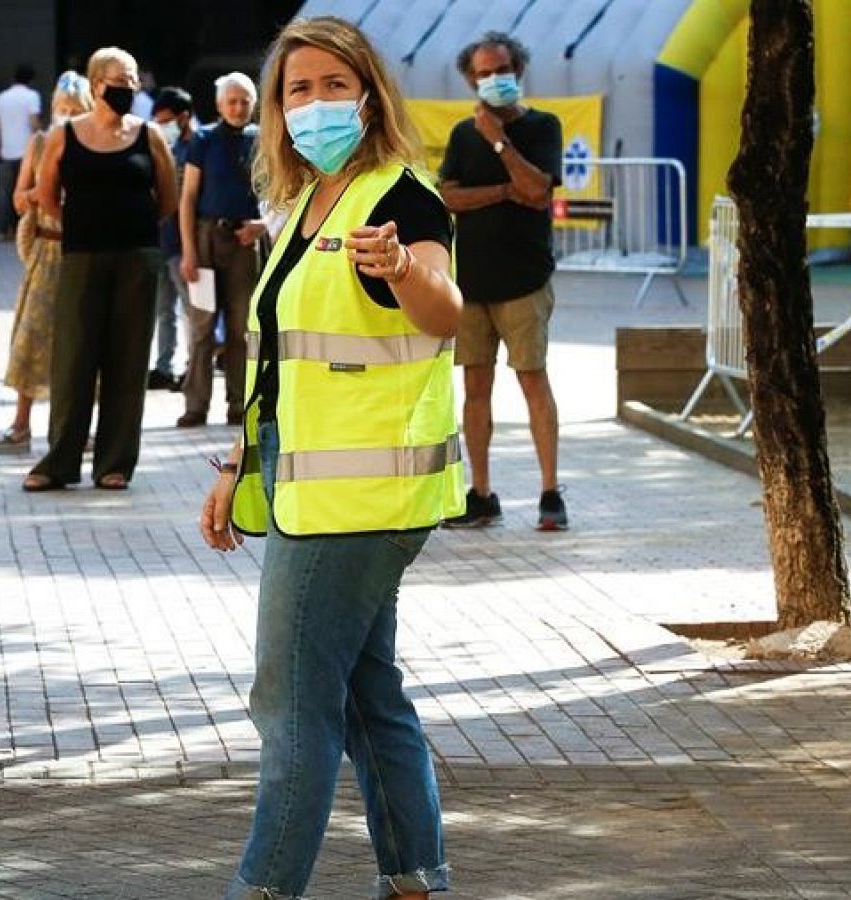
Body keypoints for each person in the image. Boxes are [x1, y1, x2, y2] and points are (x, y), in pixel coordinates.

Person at [200, 16, 463, 899]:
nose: (313, 102)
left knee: (290, 707)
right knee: (364, 696)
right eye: (296, 89)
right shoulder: (313, 200)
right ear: (275, 109)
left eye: (332, 85)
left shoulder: (397, 195)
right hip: (313, 493)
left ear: (370, 94)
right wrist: (239, 463)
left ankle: (263, 889)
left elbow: (444, 310)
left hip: (361, 506)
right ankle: (416, 878)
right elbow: (283, 360)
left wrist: (401, 272)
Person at [21, 47, 179, 492]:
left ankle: (115, 462)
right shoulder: (64, 135)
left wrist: (133, 226)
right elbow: (47, 195)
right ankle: (59, 462)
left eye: (132, 81)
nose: (127, 88)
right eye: (117, 81)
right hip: (82, 256)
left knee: (128, 360)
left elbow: (166, 197)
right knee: (73, 356)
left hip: (137, 258)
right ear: (95, 86)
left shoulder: (149, 135)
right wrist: (79, 223)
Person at [438, 31, 567, 531]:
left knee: (533, 380)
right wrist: (502, 190)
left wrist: (498, 139)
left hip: (525, 281)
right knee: (475, 388)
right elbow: (449, 195)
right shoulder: (459, 134)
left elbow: (537, 191)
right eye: (484, 72)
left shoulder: (542, 126)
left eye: (502, 69)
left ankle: (550, 491)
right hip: (470, 283)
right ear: (471, 78)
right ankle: (481, 492)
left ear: (519, 69)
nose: (494, 79)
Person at [0, 72, 95, 454]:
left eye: (76, 110)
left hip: (85, 250)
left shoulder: (95, 143)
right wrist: (41, 192)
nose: (68, 116)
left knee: (84, 340)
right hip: (48, 251)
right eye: (62, 109)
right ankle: (21, 424)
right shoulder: (40, 141)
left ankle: (81, 426)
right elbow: (19, 199)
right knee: (31, 335)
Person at [178, 71, 265, 428]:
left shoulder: (263, 140)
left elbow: (277, 193)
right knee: (201, 325)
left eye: (245, 101)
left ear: (254, 105)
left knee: (241, 326)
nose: (238, 107)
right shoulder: (203, 140)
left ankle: (239, 403)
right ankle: (195, 404)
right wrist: (188, 250)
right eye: (232, 101)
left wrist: (261, 227)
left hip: (246, 241)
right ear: (218, 104)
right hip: (207, 238)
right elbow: (187, 197)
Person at [147, 86, 196, 392]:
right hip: (163, 243)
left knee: (194, 313)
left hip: (186, 246)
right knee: (165, 310)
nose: (161, 126)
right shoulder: (166, 147)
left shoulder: (198, 145)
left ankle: (193, 368)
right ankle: (164, 367)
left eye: (166, 120)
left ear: (183, 117)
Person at [0, 63, 43, 237]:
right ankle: (26, 229)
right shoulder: (32, 96)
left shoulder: (1, 97)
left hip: (7, 152)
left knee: (6, 193)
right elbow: (34, 123)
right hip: (27, 152)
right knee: (28, 192)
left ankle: (3, 230)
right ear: (31, 80)